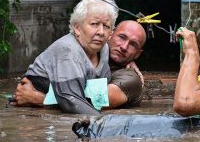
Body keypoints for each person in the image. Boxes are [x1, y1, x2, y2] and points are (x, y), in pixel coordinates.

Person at [12, 0, 118, 116]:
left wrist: (40, 99)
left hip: (48, 105)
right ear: (77, 28)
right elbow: (71, 102)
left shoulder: (104, 49)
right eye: (94, 24)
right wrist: (106, 126)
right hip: (30, 115)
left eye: (106, 26)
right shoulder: (68, 49)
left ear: (111, 33)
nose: (101, 32)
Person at [13, 19, 147, 109]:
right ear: (109, 35)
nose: (124, 47)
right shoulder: (88, 55)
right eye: (122, 37)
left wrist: (36, 98)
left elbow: (91, 104)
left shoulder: (130, 79)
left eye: (133, 45)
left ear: (138, 54)